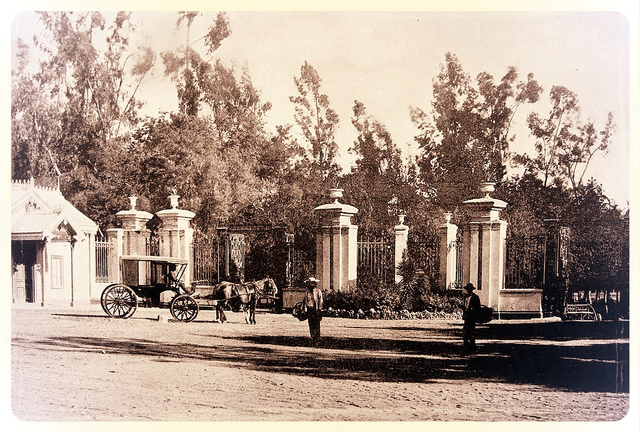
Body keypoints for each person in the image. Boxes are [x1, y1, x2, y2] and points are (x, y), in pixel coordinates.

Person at [303, 277, 323, 346]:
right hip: (309, 309)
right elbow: (305, 301)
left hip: (315, 309)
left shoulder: (318, 291)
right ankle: (313, 338)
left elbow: (320, 301)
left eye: (311, 283)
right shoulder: (307, 292)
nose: (310, 285)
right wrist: (305, 308)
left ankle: (317, 339)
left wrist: (319, 309)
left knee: (316, 324)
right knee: (311, 324)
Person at [461, 282, 481, 350]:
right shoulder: (466, 297)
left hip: (472, 316)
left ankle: (472, 346)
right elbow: (465, 306)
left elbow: (477, 307)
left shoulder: (475, 297)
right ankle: (466, 345)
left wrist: (473, 311)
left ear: (471, 290)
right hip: (467, 316)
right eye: (467, 289)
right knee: (465, 331)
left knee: (471, 331)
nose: (468, 291)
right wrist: (463, 308)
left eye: (469, 289)